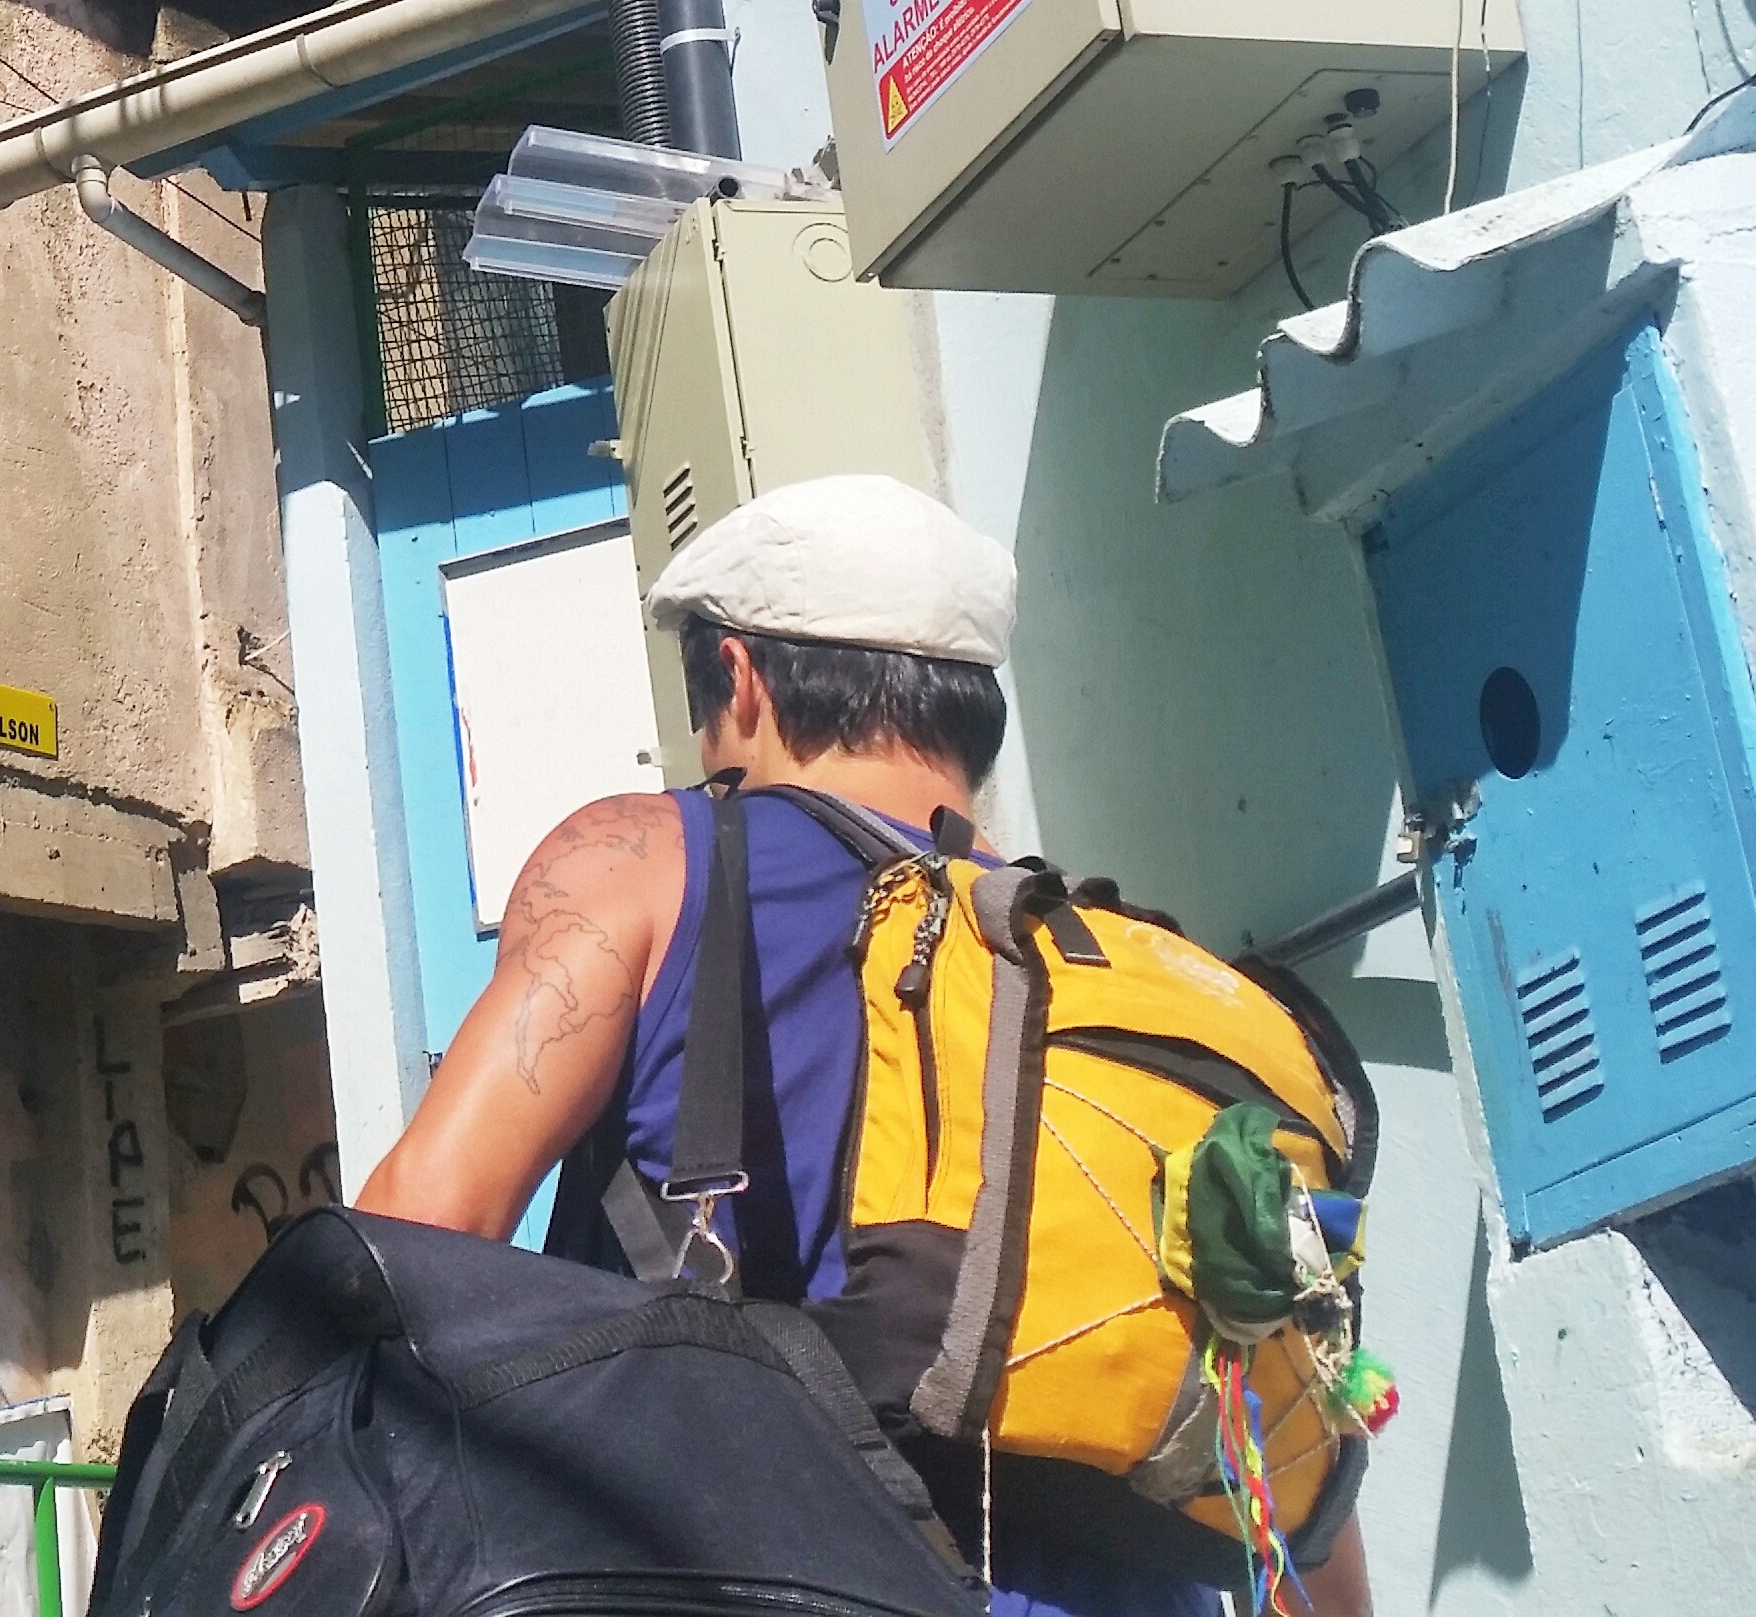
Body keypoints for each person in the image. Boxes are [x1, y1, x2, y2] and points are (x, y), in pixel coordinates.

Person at [354, 476, 1366, 1617]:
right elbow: (1295, 1427)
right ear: (969, 711)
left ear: (738, 677)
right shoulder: (1111, 976)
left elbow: (414, 1237)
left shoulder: (642, 857)